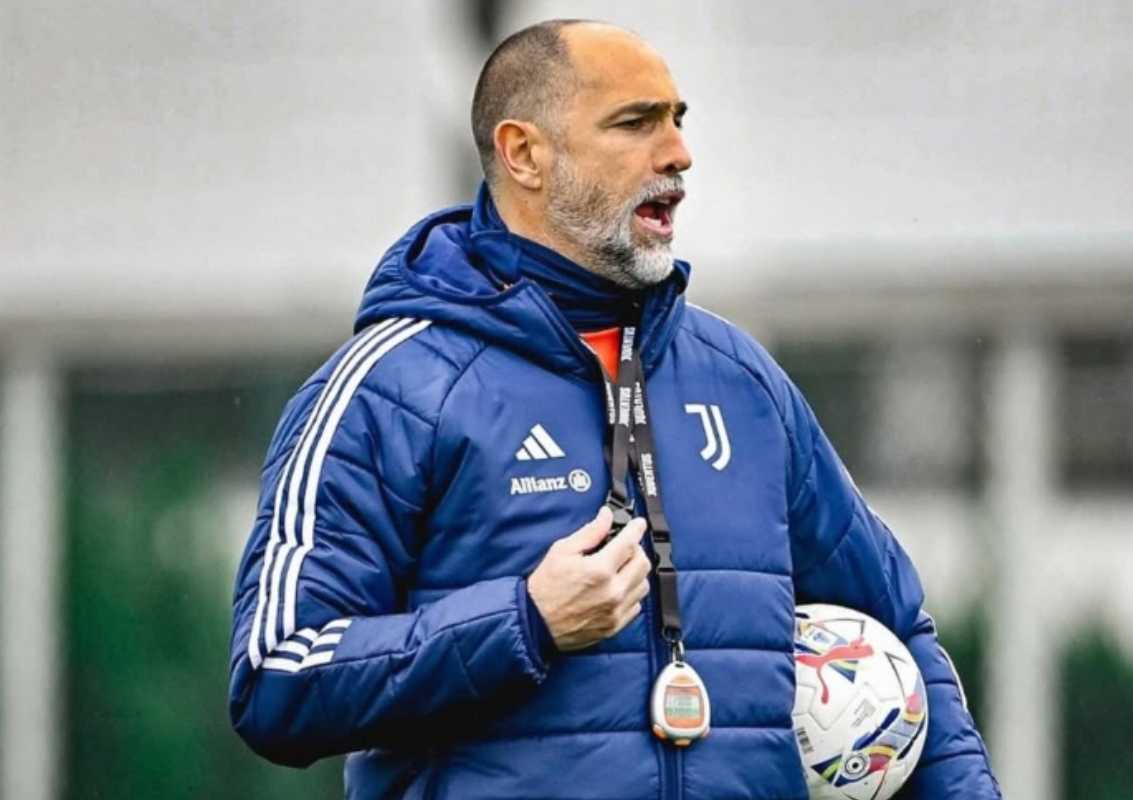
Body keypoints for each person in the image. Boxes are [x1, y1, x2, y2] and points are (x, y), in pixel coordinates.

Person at [228, 19, 1002, 800]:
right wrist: (524, 621)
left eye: (678, 120)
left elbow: (900, 631)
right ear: (524, 154)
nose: (679, 153)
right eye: (636, 123)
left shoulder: (743, 383)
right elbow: (275, 679)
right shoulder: (392, 389)